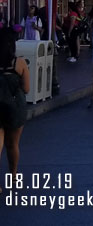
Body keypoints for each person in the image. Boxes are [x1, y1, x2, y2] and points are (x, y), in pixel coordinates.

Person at [0, 27, 29, 192]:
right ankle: (13, 177)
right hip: (14, 107)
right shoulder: (19, 62)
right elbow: (26, 88)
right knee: (13, 144)